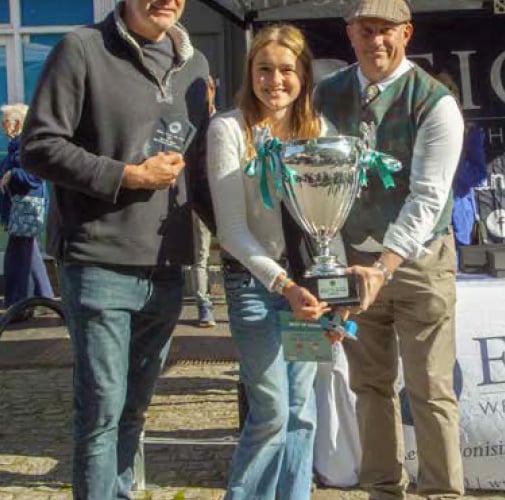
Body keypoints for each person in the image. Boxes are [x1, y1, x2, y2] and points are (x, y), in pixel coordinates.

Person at [20, 1, 213, 498]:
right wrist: (127, 175)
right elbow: (39, 146)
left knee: (135, 407)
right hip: (98, 258)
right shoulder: (80, 49)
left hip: (167, 264)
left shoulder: (196, 63)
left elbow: (201, 162)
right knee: (103, 407)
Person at [314, 0, 465, 498]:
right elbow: (318, 180)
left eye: (385, 31)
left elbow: (428, 198)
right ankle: (382, 489)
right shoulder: (325, 95)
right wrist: (337, 258)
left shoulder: (433, 100)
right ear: (349, 34)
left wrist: (384, 267)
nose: (375, 41)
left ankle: (442, 492)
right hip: (354, 258)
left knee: (430, 389)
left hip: (420, 262)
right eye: (364, 31)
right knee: (368, 386)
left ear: (407, 33)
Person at [206, 24, 342, 500]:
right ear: (250, 73)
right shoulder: (228, 129)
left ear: (303, 75)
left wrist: (333, 294)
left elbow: (330, 224)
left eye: (287, 70)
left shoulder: (319, 131)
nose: (275, 80)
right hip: (255, 289)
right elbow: (232, 231)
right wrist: (285, 285)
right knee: (272, 413)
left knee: (302, 409)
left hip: (307, 294)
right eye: (264, 69)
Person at [0, 103, 54, 320]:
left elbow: (35, 176)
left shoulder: (25, 143)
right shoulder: (17, 144)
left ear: (18, 122)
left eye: (6, 121)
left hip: (26, 208)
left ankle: (19, 304)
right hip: (20, 207)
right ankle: (44, 298)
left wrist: (12, 174)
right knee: (28, 254)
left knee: (18, 257)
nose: (4, 126)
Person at [192, 75, 217, 327]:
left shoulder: (223, 121)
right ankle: (204, 305)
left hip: (225, 199)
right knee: (201, 255)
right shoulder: (189, 122)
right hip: (199, 198)